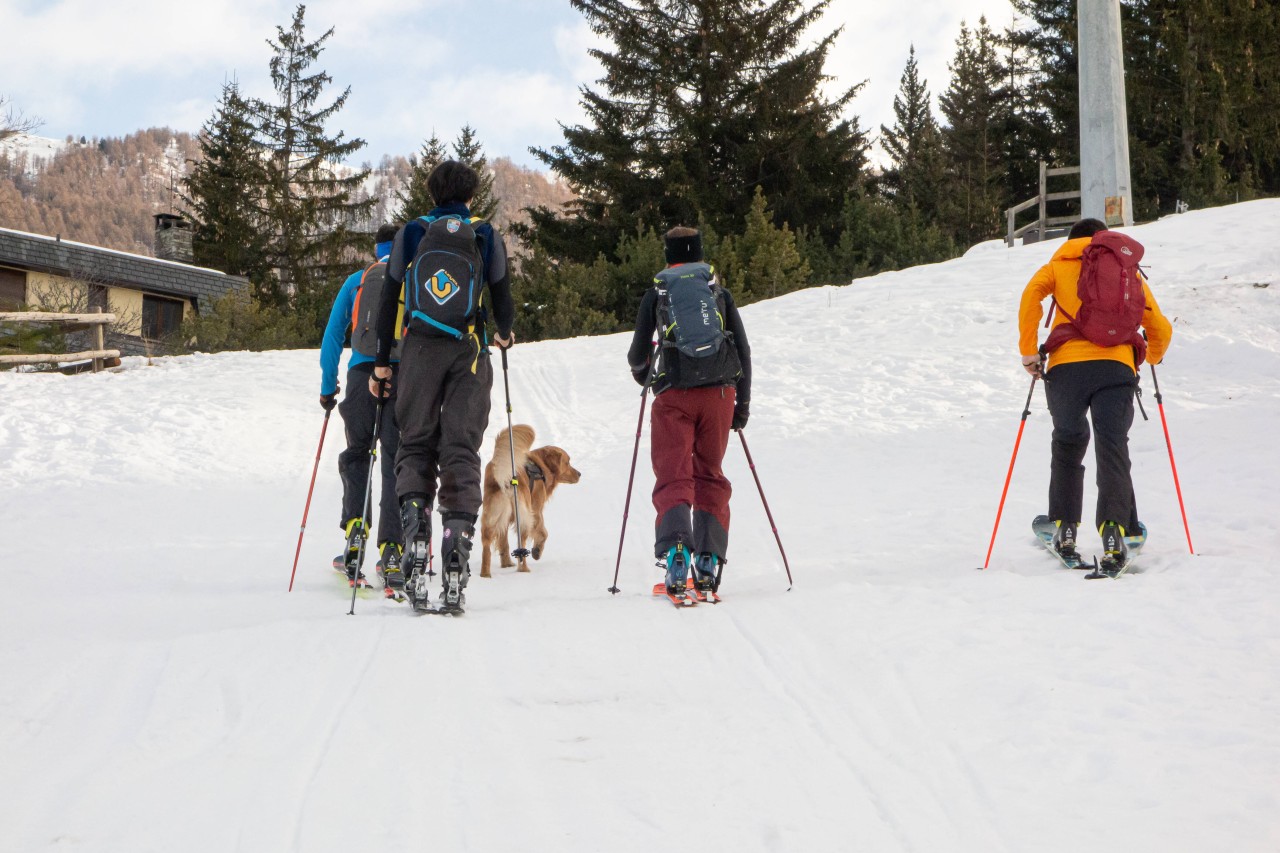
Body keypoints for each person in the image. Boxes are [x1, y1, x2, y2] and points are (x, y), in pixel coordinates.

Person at [370, 160, 515, 610]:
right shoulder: (484, 233)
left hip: (418, 351)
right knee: (460, 449)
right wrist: (503, 333)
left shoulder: (412, 232)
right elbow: (502, 294)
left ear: (431, 193)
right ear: (470, 194)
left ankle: (416, 536)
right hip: (468, 351)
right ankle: (456, 548)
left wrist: (381, 362)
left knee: (414, 445)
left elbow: (389, 294)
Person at [1018, 217, 1172, 569]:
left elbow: (1031, 298)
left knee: (1069, 441)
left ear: (1072, 239)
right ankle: (1118, 532)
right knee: (1112, 445)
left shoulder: (1056, 266)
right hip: (1116, 369)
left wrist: (1029, 351)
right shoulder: (1123, 271)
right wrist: (1153, 355)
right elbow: (1158, 324)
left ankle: (1064, 528)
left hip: (1065, 369)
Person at [627, 226, 752, 597]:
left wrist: (644, 377)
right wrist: (741, 406)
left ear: (668, 257)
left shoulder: (658, 293)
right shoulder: (718, 294)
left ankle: (677, 551)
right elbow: (742, 351)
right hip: (719, 396)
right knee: (710, 474)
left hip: (674, 395)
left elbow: (637, 356)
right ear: (700, 255)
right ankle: (710, 560)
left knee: (673, 474)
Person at [319, 223, 404, 587]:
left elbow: (333, 337)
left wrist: (327, 388)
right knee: (395, 462)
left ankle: (355, 532)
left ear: (376, 250)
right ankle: (393, 553)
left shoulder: (358, 279)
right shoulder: (411, 281)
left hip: (358, 379)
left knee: (358, 454)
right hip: (400, 381)